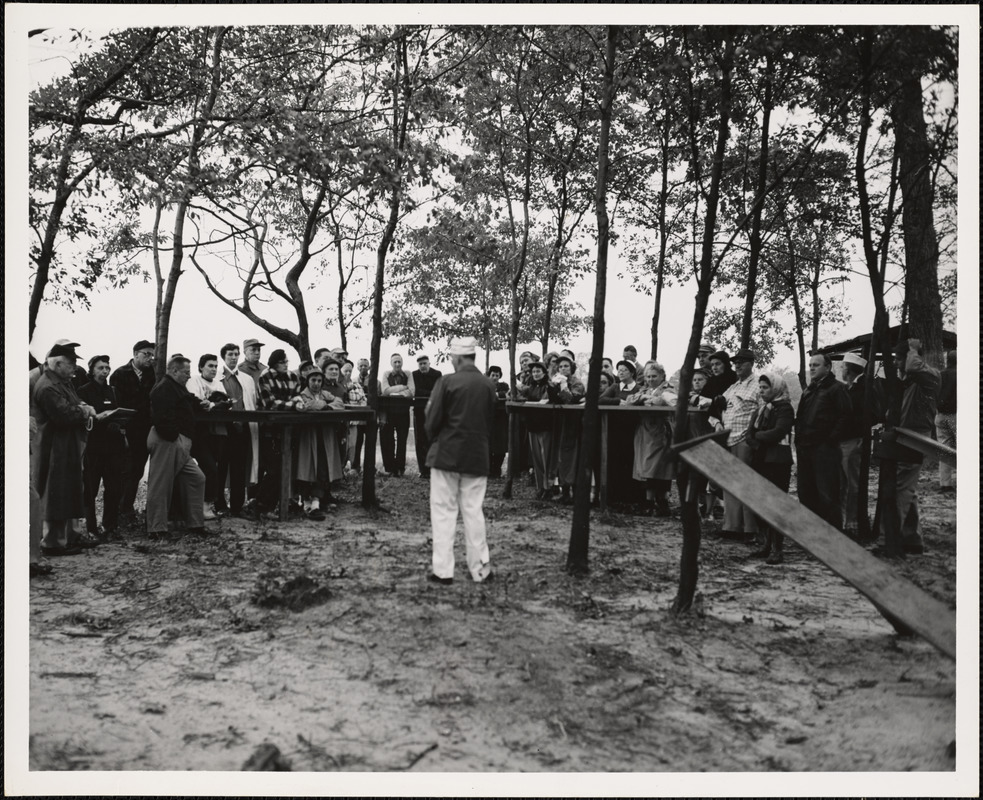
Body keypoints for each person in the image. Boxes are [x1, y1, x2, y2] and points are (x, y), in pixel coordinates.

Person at [424, 336, 496, 585]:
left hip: (446, 455)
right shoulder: (488, 385)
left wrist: (435, 438)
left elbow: (431, 419)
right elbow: (489, 421)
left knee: (443, 513)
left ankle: (443, 571)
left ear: (458, 357)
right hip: (477, 455)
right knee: (474, 513)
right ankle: (480, 570)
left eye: (452, 358)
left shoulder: (447, 381)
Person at [873, 338, 941, 554]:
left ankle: (887, 540)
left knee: (901, 488)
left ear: (914, 357)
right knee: (907, 489)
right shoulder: (910, 380)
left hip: (914, 438)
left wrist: (912, 349)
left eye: (899, 358)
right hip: (903, 436)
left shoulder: (928, 376)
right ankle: (912, 539)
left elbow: (913, 365)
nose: (896, 363)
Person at [34, 342, 98, 555]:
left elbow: (75, 404)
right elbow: (64, 415)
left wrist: (82, 408)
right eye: (70, 363)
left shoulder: (62, 382)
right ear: (57, 363)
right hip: (54, 447)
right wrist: (85, 411)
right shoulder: (48, 386)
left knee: (70, 490)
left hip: (66, 445)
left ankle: (70, 536)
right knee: (56, 493)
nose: (74, 367)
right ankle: (53, 542)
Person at [146, 354, 208, 536]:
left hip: (177, 443)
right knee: (161, 485)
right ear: (174, 371)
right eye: (186, 372)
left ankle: (195, 524)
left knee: (196, 478)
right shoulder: (164, 388)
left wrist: (203, 404)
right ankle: (156, 529)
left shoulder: (177, 388)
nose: (189, 376)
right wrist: (175, 437)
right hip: (168, 441)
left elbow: (188, 402)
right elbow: (161, 418)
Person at [794, 352, 851, 532]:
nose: (811, 368)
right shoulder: (809, 390)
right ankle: (812, 532)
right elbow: (801, 417)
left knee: (827, 493)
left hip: (825, 450)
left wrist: (829, 440)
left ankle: (832, 535)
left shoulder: (837, 389)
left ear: (828, 367)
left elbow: (845, 417)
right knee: (806, 492)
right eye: (810, 365)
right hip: (805, 449)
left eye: (816, 365)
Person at [746, 373, 795, 564]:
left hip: (777, 462)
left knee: (776, 504)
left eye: (765, 387)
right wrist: (759, 437)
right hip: (760, 460)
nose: (761, 391)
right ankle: (766, 543)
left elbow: (778, 432)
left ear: (775, 388)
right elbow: (748, 435)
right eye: (760, 387)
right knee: (761, 502)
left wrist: (759, 436)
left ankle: (777, 548)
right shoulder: (759, 411)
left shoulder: (784, 408)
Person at [712, 348, 760, 540]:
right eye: (735, 362)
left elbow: (763, 410)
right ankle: (731, 526)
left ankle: (750, 530)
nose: (738, 365)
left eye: (742, 361)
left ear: (751, 363)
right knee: (730, 483)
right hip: (728, 439)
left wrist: (753, 435)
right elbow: (717, 407)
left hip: (744, 440)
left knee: (746, 484)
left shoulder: (757, 385)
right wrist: (716, 420)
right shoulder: (733, 387)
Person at [78, 354, 127, 537]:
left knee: (114, 487)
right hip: (94, 446)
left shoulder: (113, 391)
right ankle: (91, 528)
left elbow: (119, 411)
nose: (104, 371)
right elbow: (82, 417)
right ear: (91, 370)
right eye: (100, 368)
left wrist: (119, 422)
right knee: (91, 488)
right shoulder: (83, 391)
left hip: (114, 446)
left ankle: (110, 526)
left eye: (107, 368)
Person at [110, 339, 157, 522]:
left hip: (145, 428)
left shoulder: (152, 374)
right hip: (126, 428)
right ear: (135, 354)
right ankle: (119, 509)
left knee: (137, 469)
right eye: (146, 354)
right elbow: (116, 402)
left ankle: (127, 507)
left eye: (152, 355)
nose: (149, 358)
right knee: (124, 469)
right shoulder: (120, 374)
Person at [625, 361, 677, 515]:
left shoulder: (668, 388)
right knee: (645, 467)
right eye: (648, 376)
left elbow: (666, 400)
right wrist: (643, 398)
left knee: (659, 467)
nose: (650, 379)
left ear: (662, 376)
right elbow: (629, 400)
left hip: (660, 431)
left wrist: (651, 400)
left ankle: (662, 502)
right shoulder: (645, 389)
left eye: (654, 376)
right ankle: (649, 502)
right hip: (644, 431)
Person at [293, 368, 345, 519]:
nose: (316, 384)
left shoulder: (325, 394)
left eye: (319, 381)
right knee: (307, 468)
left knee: (323, 467)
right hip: (308, 437)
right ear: (307, 381)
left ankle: (317, 502)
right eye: (313, 380)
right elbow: (306, 406)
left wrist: (328, 406)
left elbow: (339, 402)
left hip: (324, 436)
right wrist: (321, 405)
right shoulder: (302, 394)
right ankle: (307, 502)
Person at [216, 343, 260, 518]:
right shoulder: (217, 377)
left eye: (236, 354)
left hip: (242, 430)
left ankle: (237, 506)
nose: (233, 357)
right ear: (224, 357)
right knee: (220, 468)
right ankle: (219, 504)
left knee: (239, 469)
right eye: (230, 354)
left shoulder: (247, 379)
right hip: (223, 430)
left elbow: (252, 402)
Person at [256, 349, 301, 514]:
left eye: (287, 361)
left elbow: (298, 397)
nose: (286, 364)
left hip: (289, 429)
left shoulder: (293, 377)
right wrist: (293, 406)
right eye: (283, 362)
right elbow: (269, 403)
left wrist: (292, 404)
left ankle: (271, 506)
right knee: (273, 468)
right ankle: (260, 503)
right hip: (269, 430)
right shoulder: (265, 377)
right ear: (275, 362)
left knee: (285, 468)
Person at [188, 353, 229, 519]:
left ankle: (209, 505)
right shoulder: (195, 381)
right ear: (201, 367)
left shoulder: (219, 384)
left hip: (218, 432)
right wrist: (214, 404)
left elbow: (228, 404)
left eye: (215, 366)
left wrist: (214, 404)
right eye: (210, 366)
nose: (213, 369)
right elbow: (198, 403)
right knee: (208, 468)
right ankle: (201, 506)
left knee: (217, 469)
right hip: (200, 433)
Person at [548, 354, 586, 503]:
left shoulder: (576, 383)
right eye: (561, 366)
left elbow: (572, 399)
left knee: (573, 455)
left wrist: (563, 387)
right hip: (559, 421)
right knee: (560, 456)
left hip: (573, 422)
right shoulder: (555, 381)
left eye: (566, 366)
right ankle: (564, 491)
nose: (563, 369)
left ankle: (575, 492)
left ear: (572, 368)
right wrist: (553, 386)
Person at [838, 353, 868, 536]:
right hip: (844, 441)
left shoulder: (860, 390)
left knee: (851, 483)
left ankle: (851, 522)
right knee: (843, 482)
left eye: (842, 367)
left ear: (848, 370)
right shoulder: (848, 389)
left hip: (852, 441)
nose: (841, 370)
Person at [516, 361, 553, 499]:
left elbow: (546, 400)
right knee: (536, 457)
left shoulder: (548, 386)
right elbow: (518, 394)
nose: (536, 374)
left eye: (538, 371)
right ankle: (540, 486)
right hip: (532, 425)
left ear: (544, 372)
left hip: (545, 425)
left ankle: (548, 486)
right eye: (534, 372)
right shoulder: (530, 387)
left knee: (546, 457)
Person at [380, 353, 415, 476]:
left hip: (403, 412)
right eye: (395, 362)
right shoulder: (386, 374)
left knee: (402, 441)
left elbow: (411, 392)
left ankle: (400, 468)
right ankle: (390, 469)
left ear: (402, 362)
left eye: (399, 362)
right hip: (389, 412)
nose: (397, 364)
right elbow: (385, 391)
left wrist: (393, 392)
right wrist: (402, 388)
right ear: (391, 363)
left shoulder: (408, 374)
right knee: (388, 441)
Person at [412, 355, 443, 479]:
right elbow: (415, 391)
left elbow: (439, 391)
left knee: (434, 440)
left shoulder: (437, 374)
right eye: (420, 364)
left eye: (425, 363)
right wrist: (430, 393)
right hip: (419, 412)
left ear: (429, 363)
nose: (423, 366)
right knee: (420, 441)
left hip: (434, 412)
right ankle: (423, 470)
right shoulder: (414, 375)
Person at [935, 349, 956, 491]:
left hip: (940, 415)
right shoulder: (962, 374)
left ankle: (945, 483)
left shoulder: (940, 375)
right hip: (956, 415)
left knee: (944, 450)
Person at [486, 366, 510, 478]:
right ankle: (489, 470)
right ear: (489, 375)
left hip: (501, 419)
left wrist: (496, 395)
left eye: (497, 375)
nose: (495, 377)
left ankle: (497, 469)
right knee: (488, 445)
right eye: (493, 375)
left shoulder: (504, 386)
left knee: (500, 446)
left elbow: (506, 394)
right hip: (488, 419)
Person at [350, 358, 372, 472]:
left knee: (369, 444)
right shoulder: (353, 381)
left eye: (365, 365)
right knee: (357, 443)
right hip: (357, 418)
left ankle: (369, 467)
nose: (363, 367)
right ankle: (355, 466)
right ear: (358, 367)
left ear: (369, 367)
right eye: (361, 365)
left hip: (370, 418)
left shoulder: (375, 382)